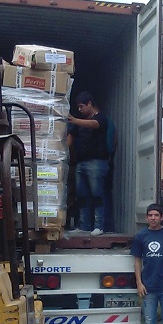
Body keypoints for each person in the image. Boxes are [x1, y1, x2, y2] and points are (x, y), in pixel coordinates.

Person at [67, 91, 109, 236]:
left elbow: (94, 124)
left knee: (97, 194)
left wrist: (74, 120)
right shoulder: (79, 122)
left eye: (81, 106)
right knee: (81, 194)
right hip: (81, 162)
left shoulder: (101, 119)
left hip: (96, 162)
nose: (80, 110)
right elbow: (70, 138)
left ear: (90, 103)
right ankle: (84, 225)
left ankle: (99, 226)